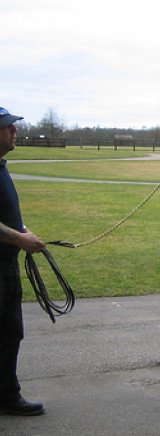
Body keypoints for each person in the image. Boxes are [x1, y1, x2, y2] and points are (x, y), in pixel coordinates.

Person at [0, 106, 46, 416]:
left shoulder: (1, 166)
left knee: (10, 332)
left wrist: (23, 229)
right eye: (8, 127)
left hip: (7, 265)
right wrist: (19, 239)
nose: (15, 131)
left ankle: (6, 394)